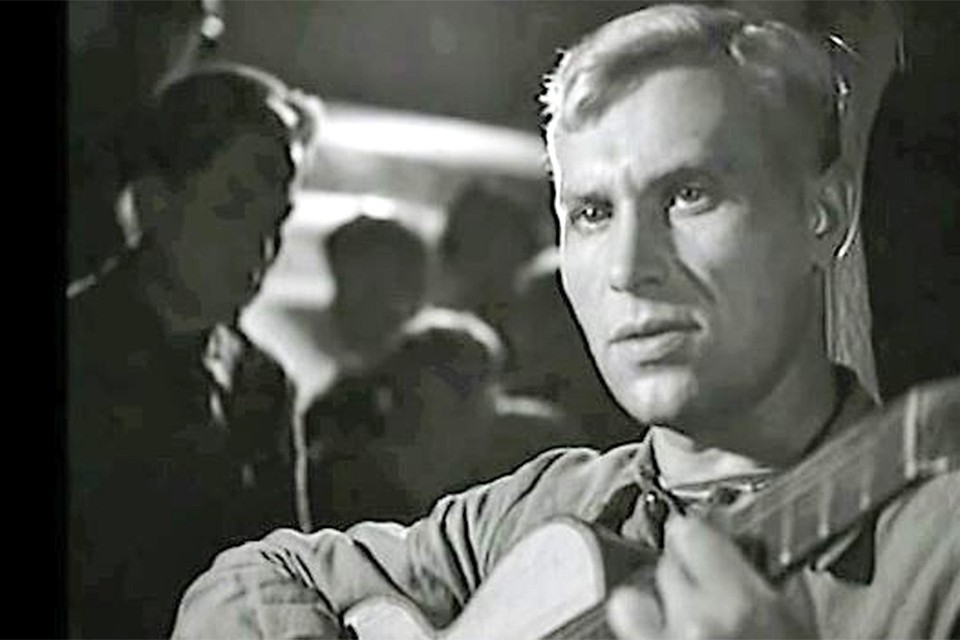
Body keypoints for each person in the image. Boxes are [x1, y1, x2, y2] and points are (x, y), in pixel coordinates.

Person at [171, 5, 960, 639]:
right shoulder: (534, 514)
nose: (628, 266)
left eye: (688, 194)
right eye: (591, 212)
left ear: (824, 214)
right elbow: (244, 583)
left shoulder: (939, 549)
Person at [68, 63, 320, 637]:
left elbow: (284, 592)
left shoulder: (261, 385)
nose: (258, 245)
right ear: (155, 201)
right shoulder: (81, 352)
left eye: (275, 221)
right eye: (233, 206)